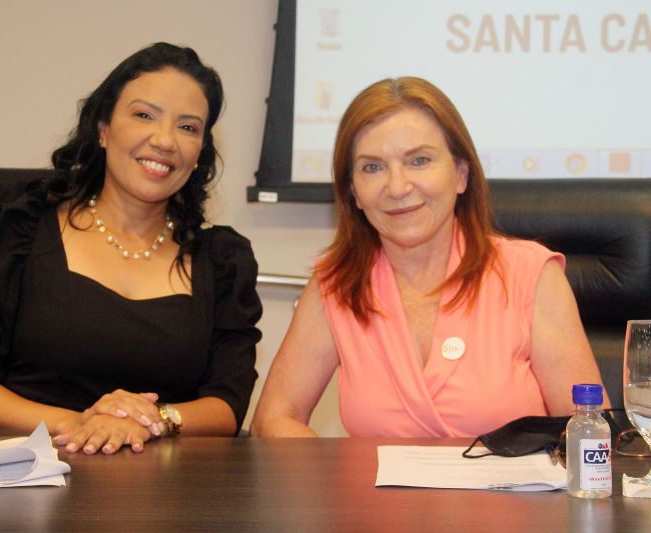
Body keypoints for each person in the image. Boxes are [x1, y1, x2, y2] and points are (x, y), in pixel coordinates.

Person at [0, 42, 262, 454]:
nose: (165, 140)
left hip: (166, 483)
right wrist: (83, 423)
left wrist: (155, 421)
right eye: (144, 115)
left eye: (187, 127)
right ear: (103, 129)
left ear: (199, 154)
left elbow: (227, 406)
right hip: (29, 475)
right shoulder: (22, 226)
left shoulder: (222, 260)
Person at [251, 77, 608, 438]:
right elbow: (273, 418)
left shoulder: (530, 274)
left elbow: (592, 432)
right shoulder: (336, 284)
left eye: (419, 160)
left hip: (509, 479)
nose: (397, 187)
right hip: (373, 480)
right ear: (354, 192)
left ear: (461, 175)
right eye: (372, 167)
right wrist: (332, 472)